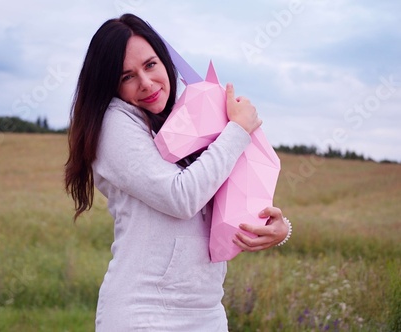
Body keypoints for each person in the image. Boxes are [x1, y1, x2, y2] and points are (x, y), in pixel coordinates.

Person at [64, 13, 291, 332]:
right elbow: (181, 197)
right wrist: (237, 131)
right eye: (127, 76)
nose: (146, 83)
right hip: (144, 313)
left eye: (151, 65)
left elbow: (223, 194)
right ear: (109, 86)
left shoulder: (185, 119)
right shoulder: (114, 125)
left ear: (165, 59)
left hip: (207, 311)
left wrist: (277, 227)